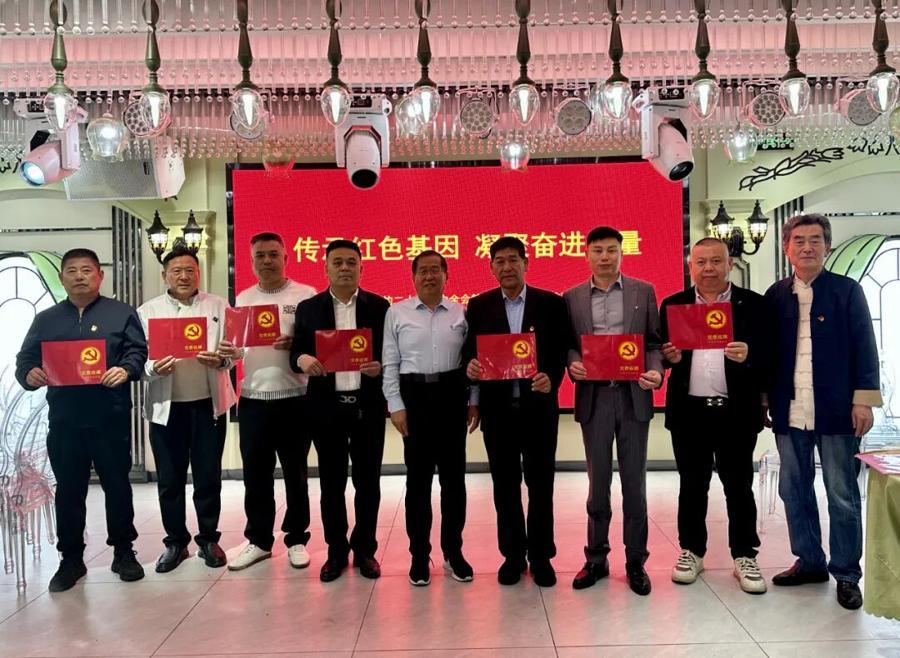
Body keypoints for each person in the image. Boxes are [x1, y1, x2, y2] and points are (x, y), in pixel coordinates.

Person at [765, 213, 882, 610]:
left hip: (837, 410)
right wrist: (764, 397)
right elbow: (768, 353)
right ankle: (810, 560)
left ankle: (847, 573)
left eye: (815, 240)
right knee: (793, 489)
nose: (807, 247)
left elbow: (865, 346)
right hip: (790, 407)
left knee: (842, 493)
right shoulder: (775, 295)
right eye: (799, 240)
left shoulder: (847, 291)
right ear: (786, 248)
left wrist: (863, 399)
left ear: (827, 247)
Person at [15, 248, 147, 592]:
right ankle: (71, 559)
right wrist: (29, 374)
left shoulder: (121, 313)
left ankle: (123, 552)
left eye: (86, 270)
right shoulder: (46, 319)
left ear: (100, 276)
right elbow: (25, 359)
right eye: (71, 271)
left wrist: (126, 368)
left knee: (117, 486)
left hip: (110, 418)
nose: (79, 276)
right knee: (69, 491)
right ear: (62, 278)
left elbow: (137, 351)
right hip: (65, 421)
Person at [660, 237, 769, 594]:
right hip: (689, 411)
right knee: (692, 485)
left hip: (735, 411)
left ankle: (744, 554)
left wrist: (750, 355)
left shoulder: (753, 305)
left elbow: (771, 354)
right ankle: (692, 550)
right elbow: (660, 353)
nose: (708, 268)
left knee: (739, 486)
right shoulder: (674, 305)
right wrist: (669, 358)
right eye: (701, 262)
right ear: (690, 266)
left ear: (730, 264)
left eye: (716, 261)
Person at [465, 236, 570, 587]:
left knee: (541, 485)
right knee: (505, 486)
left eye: (513, 259)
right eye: (500, 261)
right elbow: (470, 353)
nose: (507, 267)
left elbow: (560, 351)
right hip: (498, 413)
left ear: (526, 263)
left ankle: (541, 556)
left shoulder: (550, 303)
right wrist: (471, 369)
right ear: (491, 267)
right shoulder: (479, 306)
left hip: (538, 410)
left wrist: (551, 377)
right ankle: (512, 555)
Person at [564, 226, 663, 596]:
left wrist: (656, 370)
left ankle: (636, 561)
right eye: (597, 250)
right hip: (595, 398)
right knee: (598, 484)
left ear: (622, 253)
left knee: (635, 485)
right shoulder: (572, 297)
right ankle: (596, 558)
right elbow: (569, 345)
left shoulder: (643, 291)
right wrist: (572, 362)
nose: (604, 257)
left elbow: (653, 342)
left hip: (633, 395)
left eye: (611, 250)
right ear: (586, 254)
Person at [290, 239, 389, 582]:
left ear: (362, 267)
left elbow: (392, 353)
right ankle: (336, 551)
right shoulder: (308, 308)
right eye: (338, 262)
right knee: (331, 485)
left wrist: (381, 366)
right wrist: (302, 359)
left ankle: (365, 551)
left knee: (368, 483)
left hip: (367, 407)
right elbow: (295, 352)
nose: (345, 268)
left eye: (351, 262)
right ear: (326, 268)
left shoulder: (380, 306)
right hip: (325, 409)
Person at [219, 232, 317, 571]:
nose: (267, 261)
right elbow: (239, 351)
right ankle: (259, 540)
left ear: (286, 258)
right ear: (251, 262)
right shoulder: (243, 299)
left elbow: (316, 344)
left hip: (295, 399)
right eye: (260, 255)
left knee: (296, 474)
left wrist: (296, 343)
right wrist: (231, 353)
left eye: (273, 254)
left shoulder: (305, 296)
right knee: (255, 475)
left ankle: (297, 539)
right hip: (253, 400)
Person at [382, 250, 479, 586]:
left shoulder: (460, 312)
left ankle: (454, 552)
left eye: (435, 270)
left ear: (446, 275)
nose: (429, 276)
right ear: (413, 277)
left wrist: (474, 401)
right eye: (422, 271)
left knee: (454, 483)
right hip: (415, 398)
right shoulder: (396, 312)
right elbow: (390, 363)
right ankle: (419, 556)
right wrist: (395, 404)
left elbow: (472, 361)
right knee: (418, 483)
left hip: (452, 396)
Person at [137, 247, 236, 573]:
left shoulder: (219, 306)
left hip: (208, 406)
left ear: (199, 273)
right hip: (166, 410)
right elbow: (137, 361)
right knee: (170, 479)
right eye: (176, 271)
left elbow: (235, 351)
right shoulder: (146, 312)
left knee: (208, 477)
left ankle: (208, 539)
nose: (184, 276)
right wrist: (153, 368)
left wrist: (222, 360)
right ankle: (176, 543)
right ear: (164, 275)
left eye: (190, 270)